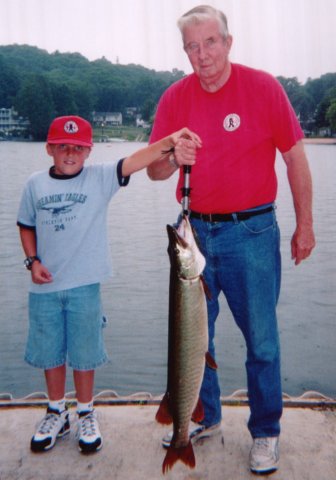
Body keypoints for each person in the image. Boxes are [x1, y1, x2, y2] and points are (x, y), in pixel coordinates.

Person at [147, 5, 315, 475]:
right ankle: (202, 416)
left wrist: (305, 225)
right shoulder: (175, 98)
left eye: (210, 43)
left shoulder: (263, 88)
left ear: (228, 41)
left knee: (262, 339)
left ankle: (265, 431)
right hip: (194, 232)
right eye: (192, 47)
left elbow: (296, 159)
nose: (202, 56)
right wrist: (170, 153)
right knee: (194, 340)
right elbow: (156, 171)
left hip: (253, 232)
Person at [17, 115, 201, 454]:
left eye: (77, 148)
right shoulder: (34, 184)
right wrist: (32, 261)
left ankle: (86, 411)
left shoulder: (100, 179)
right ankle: (56, 410)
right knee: (51, 354)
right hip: (44, 288)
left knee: (85, 355)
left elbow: (136, 160)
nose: (69, 153)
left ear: (89, 151)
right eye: (62, 147)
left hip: (85, 286)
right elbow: (25, 225)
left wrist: (170, 140)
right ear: (49, 149)